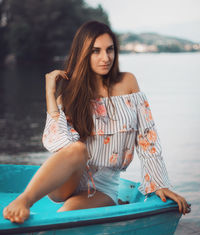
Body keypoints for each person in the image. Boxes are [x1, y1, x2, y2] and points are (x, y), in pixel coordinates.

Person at [3, 21, 191, 224]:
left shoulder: (127, 82)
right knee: (77, 150)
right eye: (96, 51)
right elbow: (57, 143)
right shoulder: (70, 93)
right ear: (83, 54)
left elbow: (147, 137)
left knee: (66, 217)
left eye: (110, 50)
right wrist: (51, 94)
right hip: (67, 181)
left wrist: (158, 184)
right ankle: (24, 199)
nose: (106, 58)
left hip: (103, 187)